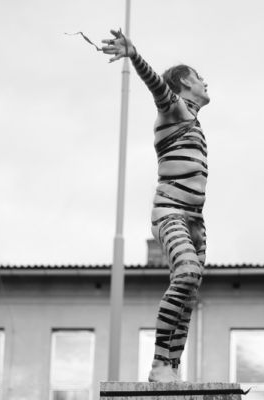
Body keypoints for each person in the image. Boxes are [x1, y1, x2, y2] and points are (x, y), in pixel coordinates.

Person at [102, 29, 210, 382]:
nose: (204, 81)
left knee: (188, 294)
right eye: (198, 77)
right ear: (184, 84)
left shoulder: (192, 121)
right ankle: (159, 363)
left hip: (195, 220)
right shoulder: (174, 110)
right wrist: (134, 55)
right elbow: (157, 87)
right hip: (171, 214)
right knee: (187, 273)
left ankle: (171, 367)